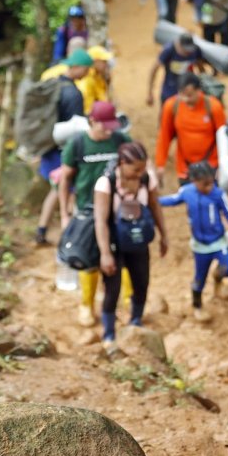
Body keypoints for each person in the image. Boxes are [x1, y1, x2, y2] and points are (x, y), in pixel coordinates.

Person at [59, 101, 133, 327]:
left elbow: (136, 163)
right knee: (88, 257)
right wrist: (64, 214)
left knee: (125, 255)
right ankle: (86, 304)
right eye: (104, 125)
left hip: (118, 210)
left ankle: (129, 301)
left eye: (112, 125)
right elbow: (65, 179)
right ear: (92, 121)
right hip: (87, 210)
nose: (109, 130)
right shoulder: (78, 144)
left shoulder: (120, 140)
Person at [93, 142, 169, 348]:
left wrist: (164, 235)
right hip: (114, 243)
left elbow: (155, 206)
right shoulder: (106, 183)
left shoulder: (146, 179)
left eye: (143, 168)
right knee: (113, 288)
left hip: (138, 241)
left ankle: (136, 321)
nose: (140, 173)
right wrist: (105, 253)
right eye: (135, 169)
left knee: (141, 282)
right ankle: (109, 333)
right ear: (122, 163)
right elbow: (100, 220)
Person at [159, 161, 228, 321]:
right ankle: (197, 306)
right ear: (194, 181)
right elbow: (171, 200)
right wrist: (152, 201)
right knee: (199, 278)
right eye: (205, 184)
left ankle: (218, 280)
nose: (209, 187)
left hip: (218, 241)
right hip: (200, 246)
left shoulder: (218, 194)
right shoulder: (187, 192)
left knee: (227, 268)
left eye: (212, 182)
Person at [34, 48, 93, 244]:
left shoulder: (54, 84)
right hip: (63, 151)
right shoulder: (74, 94)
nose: (87, 73)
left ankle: (42, 230)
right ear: (77, 67)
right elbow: (74, 128)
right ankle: (68, 234)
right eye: (86, 69)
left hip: (48, 145)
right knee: (67, 190)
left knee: (56, 188)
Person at [154, 73, 227, 186]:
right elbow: (164, 136)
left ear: (199, 91)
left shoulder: (213, 107)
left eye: (189, 95)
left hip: (211, 165)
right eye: (182, 95)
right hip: (185, 168)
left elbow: (224, 139)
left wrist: (223, 167)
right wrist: (160, 164)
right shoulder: (172, 106)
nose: (186, 99)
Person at [41, 44, 115, 112]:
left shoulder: (96, 75)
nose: (106, 65)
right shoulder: (86, 77)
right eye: (104, 61)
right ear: (95, 61)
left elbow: (102, 96)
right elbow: (85, 100)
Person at [147, 33, 205, 107]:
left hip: (188, 91)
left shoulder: (195, 50)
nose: (188, 52)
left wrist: (203, 82)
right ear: (179, 45)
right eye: (185, 49)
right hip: (170, 90)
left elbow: (201, 67)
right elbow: (154, 69)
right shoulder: (168, 50)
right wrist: (150, 93)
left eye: (190, 50)